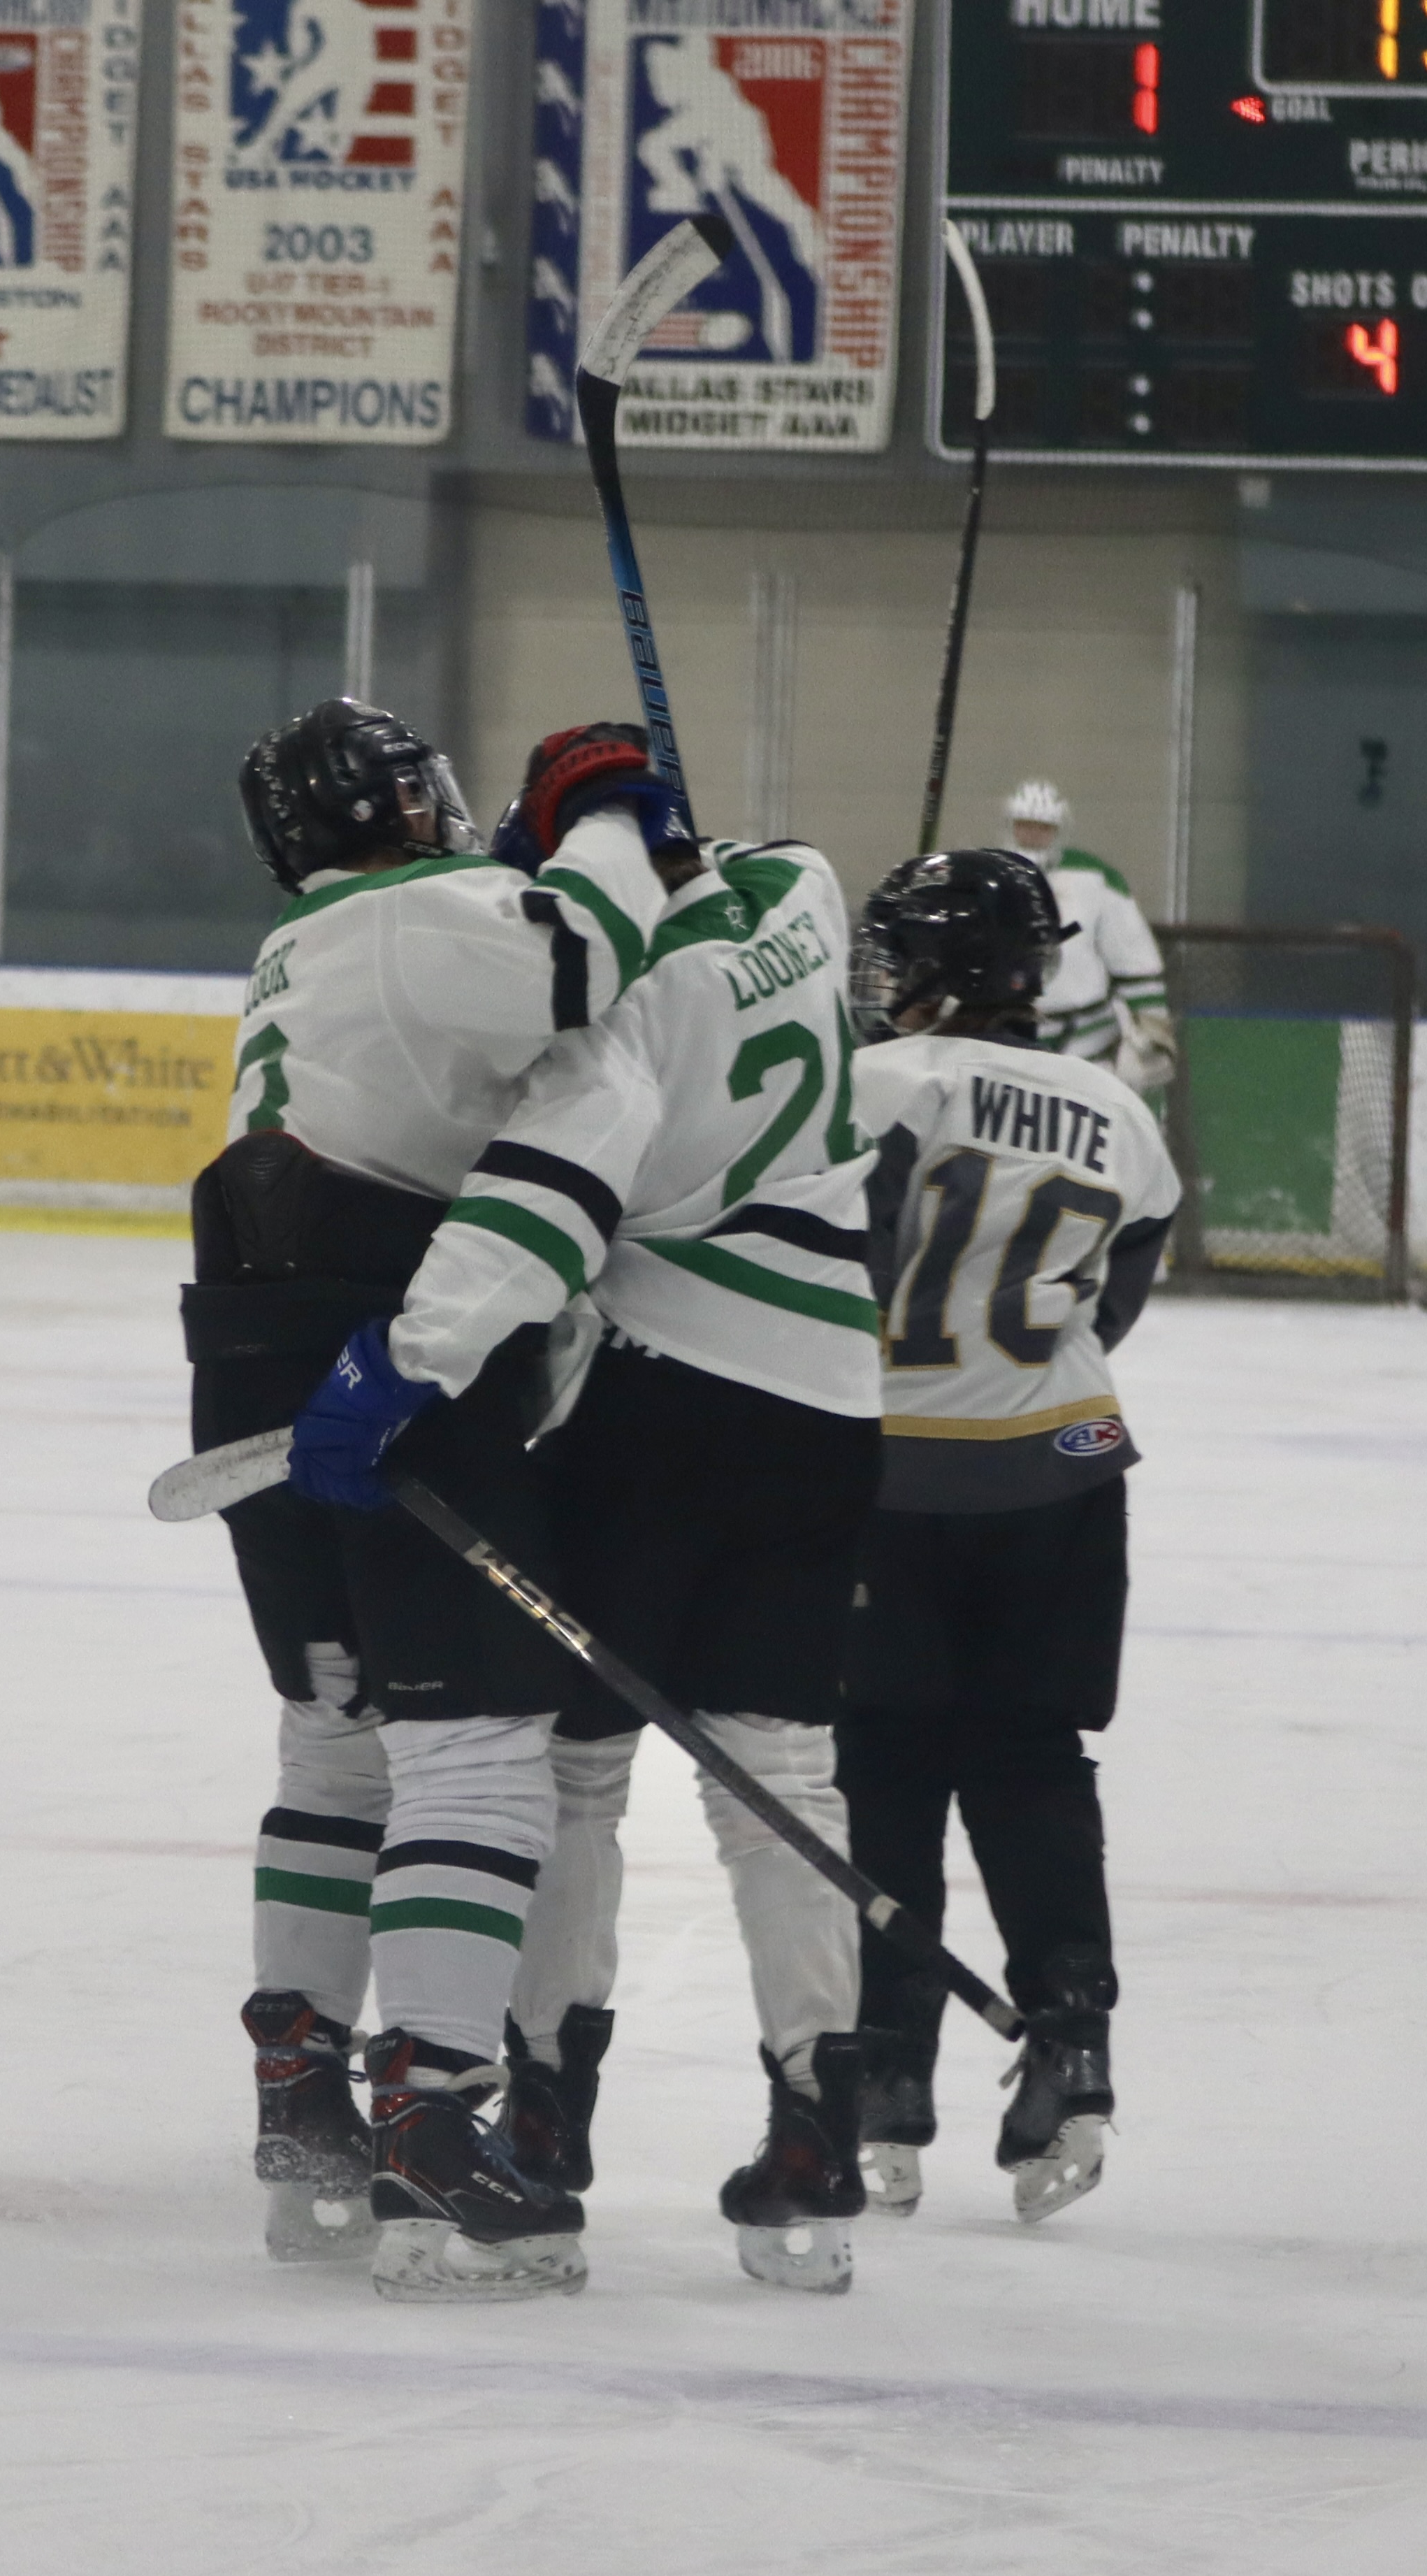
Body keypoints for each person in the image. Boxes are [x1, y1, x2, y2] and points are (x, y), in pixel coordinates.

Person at [315, 789, 890, 2292]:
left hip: (662, 1407)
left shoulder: (618, 1018)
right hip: (834, 1405)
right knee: (785, 1774)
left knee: (578, 1771)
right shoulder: (804, 889)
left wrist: (408, 1360)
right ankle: (819, 2127)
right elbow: (754, 857)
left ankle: (547, 2113)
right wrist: (652, 814)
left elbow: (547, 1206)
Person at [194, 698, 677, 2302]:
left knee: (333, 1735)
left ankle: (301, 2092)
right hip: (392, 1360)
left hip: (248, 1364)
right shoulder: (424, 915)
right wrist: (605, 813)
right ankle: (433, 2120)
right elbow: (586, 957)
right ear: (398, 807)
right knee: (476, 1751)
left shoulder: (303, 948)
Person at [836, 850, 1182, 2224]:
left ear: (936, 968)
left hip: (892, 1477)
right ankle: (1073, 2041)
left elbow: (832, 1275)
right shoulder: (1121, 1111)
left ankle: (885, 2075)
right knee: (1034, 1761)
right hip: (1067, 1466)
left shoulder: (874, 1087)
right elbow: (1115, 1301)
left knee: (885, 1773)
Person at [1000, 781, 1176, 1095]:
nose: (1033, 834)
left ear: (1059, 829)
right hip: (1006, 1042)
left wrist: (1153, 1024)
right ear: (1011, 825)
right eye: (1025, 825)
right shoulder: (985, 879)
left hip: (1090, 1042)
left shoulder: (1095, 877)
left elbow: (1133, 957)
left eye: (1043, 827)